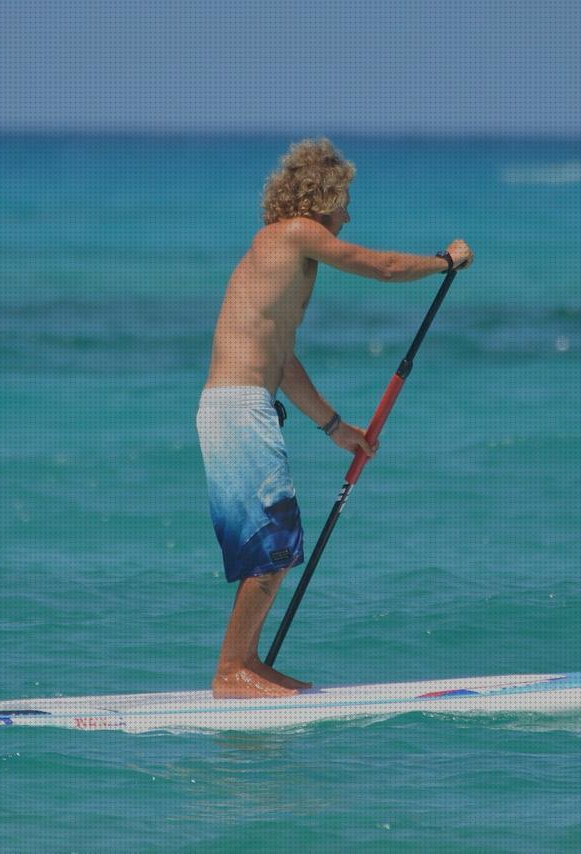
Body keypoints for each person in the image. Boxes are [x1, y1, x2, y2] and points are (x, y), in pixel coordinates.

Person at [197, 138, 473, 698]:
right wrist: (445, 262)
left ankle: (247, 664)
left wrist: (334, 428)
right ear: (321, 196)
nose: (349, 212)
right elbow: (384, 267)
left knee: (274, 545)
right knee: (272, 546)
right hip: (237, 409)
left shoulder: (282, 253)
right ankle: (230, 672)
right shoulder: (297, 235)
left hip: (240, 407)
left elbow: (284, 361)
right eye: (345, 198)